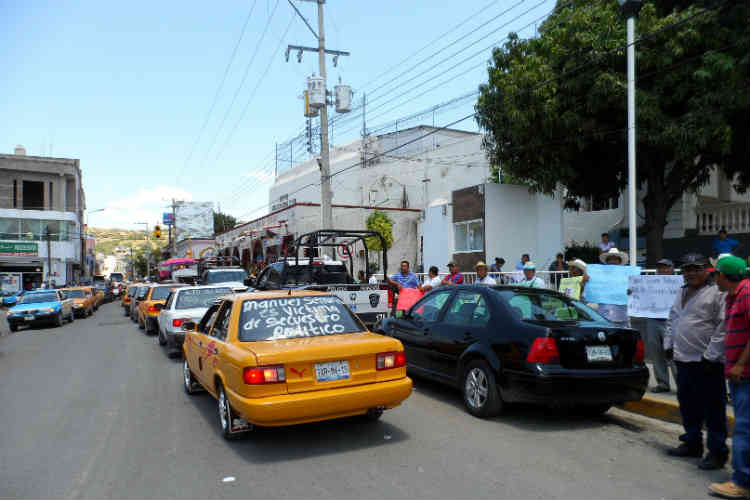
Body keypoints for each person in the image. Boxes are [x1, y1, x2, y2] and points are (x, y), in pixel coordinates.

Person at [664, 253, 729, 470]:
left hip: (707, 360)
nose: (691, 273)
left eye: (696, 268)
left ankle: (717, 451)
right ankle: (692, 443)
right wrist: (668, 344)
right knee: (688, 404)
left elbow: (723, 326)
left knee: (713, 409)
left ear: (707, 270)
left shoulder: (717, 293)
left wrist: (711, 355)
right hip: (682, 358)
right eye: (687, 269)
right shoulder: (681, 291)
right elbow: (673, 317)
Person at [710, 256, 749, 499]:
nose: (714, 278)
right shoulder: (733, 295)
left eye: (716, 274)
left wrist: (740, 364)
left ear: (724, 276)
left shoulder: (746, 294)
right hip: (739, 374)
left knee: (744, 428)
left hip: (744, 374)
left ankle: (741, 482)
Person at [646, 258, 678, 393]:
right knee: (656, 353)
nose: (663, 270)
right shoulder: (650, 284)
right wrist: (632, 293)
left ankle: (681, 384)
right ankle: (663, 383)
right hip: (653, 319)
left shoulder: (680, 283)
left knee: (673, 354)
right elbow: (640, 297)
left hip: (671, 321)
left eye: (666, 267)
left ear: (672, 269)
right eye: (660, 268)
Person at [597, 248, 631, 328]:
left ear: (619, 262)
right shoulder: (599, 277)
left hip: (622, 317)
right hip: (604, 317)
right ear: (607, 262)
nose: (612, 261)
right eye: (610, 259)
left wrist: (631, 292)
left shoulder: (627, 277)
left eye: (615, 259)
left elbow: (635, 295)